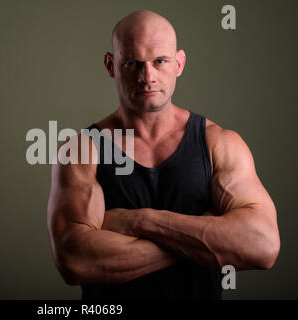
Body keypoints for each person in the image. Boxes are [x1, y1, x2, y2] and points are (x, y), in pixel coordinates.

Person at [47, 9, 280, 299]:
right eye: (132, 63)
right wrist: (207, 237)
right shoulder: (82, 151)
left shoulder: (219, 143)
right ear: (111, 65)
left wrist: (138, 221)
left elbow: (262, 246)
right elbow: (74, 261)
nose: (147, 76)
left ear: (179, 63)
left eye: (160, 61)